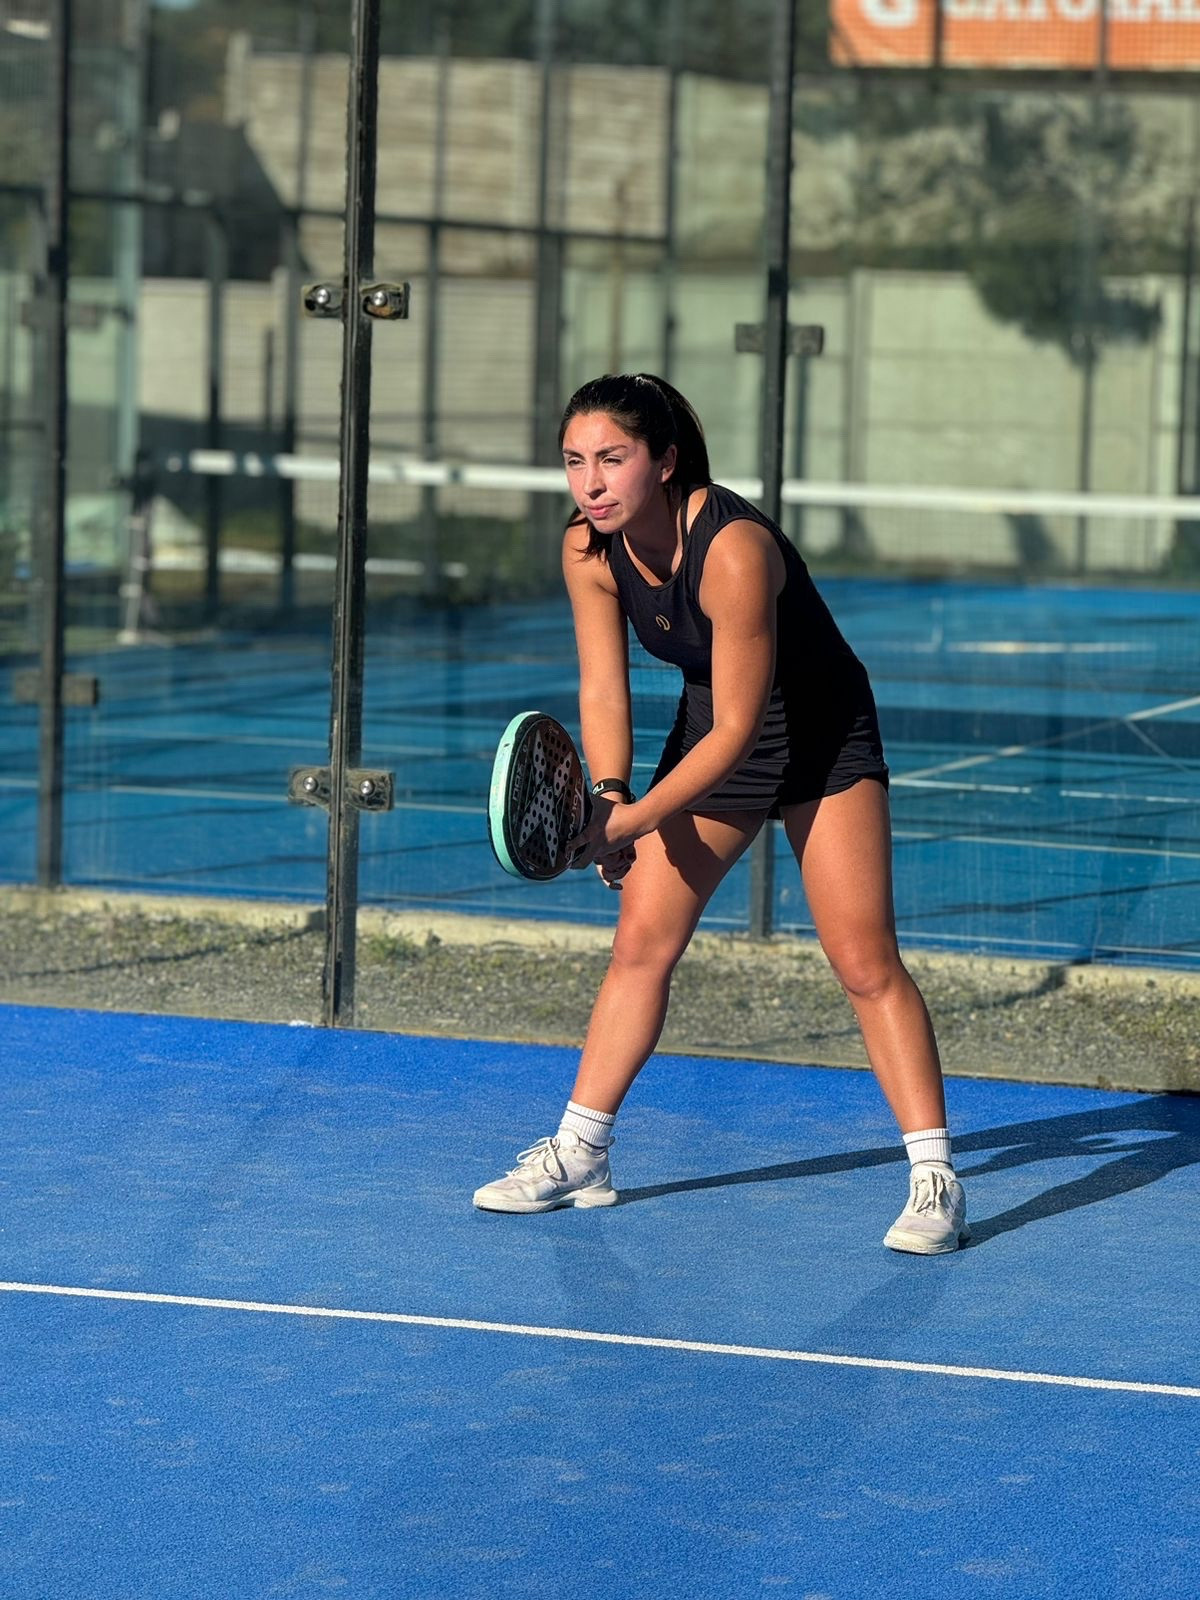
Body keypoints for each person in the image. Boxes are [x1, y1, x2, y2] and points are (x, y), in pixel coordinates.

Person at [473, 372, 968, 1254]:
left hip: (819, 737)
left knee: (864, 963)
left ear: (664, 461)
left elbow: (742, 731)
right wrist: (613, 793)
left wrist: (631, 824)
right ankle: (582, 1152)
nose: (591, 483)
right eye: (575, 461)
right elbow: (604, 686)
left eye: (612, 459)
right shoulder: (588, 550)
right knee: (641, 941)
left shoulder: (734, 548)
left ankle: (936, 1178)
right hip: (715, 731)